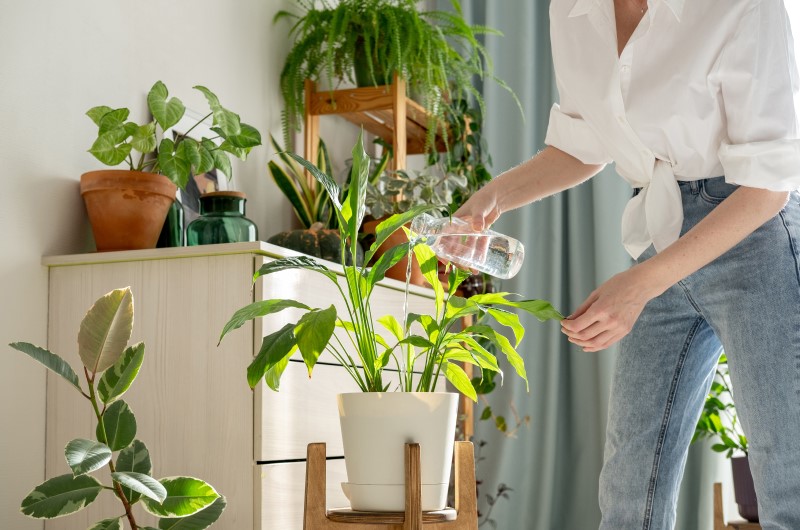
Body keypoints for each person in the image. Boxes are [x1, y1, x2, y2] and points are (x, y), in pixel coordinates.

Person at [454, 0, 800, 528]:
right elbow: (584, 141)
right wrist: (491, 199)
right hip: (661, 226)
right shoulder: (570, 11)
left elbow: (768, 185)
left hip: (752, 229)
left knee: (787, 485)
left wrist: (640, 284)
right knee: (628, 492)